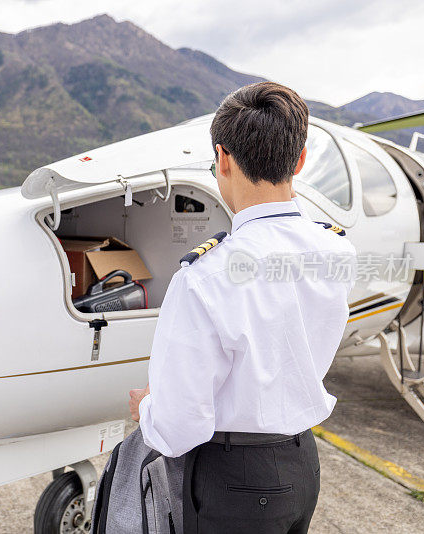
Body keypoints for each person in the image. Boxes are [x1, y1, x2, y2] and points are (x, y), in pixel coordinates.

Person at [128, 81, 357, 533]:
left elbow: (178, 427)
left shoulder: (204, 276)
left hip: (234, 482)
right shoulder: (335, 252)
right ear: (300, 160)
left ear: (223, 159)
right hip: (302, 464)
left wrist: (146, 409)